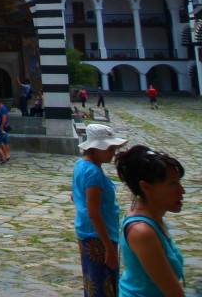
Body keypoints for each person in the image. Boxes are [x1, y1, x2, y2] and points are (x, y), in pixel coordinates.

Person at [115, 145, 186, 297]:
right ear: (146, 187)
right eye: (172, 183)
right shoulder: (142, 232)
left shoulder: (153, 217)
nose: (182, 191)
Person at [72, 124, 128, 296]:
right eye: (110, 148)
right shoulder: (94, 173)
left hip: (88, 232)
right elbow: (93, 212)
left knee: (93, 283)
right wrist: (108, 248)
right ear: (96, 148)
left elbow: (75, 195)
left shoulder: (81, 165)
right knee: (104, 286)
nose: (113, 153)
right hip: (99, 238)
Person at [0, 97, 11, 162]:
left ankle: (5, 154)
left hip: (1, 127)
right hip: (0, 126)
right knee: (5, 141)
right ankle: (6, 154)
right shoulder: (0, 109)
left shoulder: (2, 109)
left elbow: (4, 118)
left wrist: (1, 126)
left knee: (1, 141)